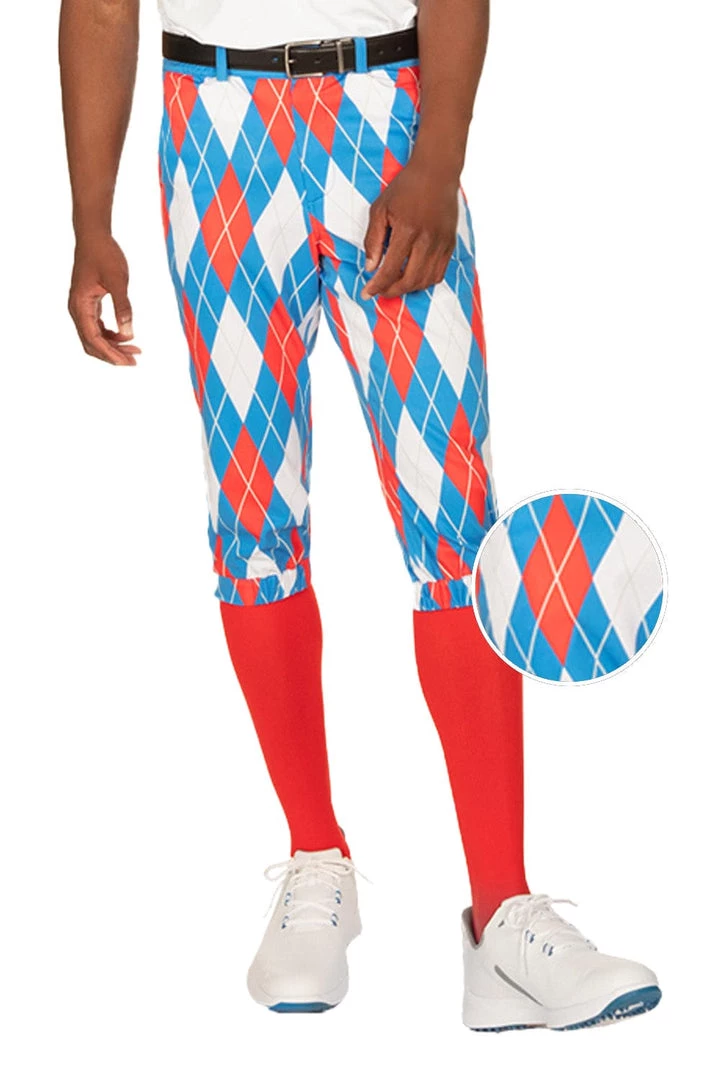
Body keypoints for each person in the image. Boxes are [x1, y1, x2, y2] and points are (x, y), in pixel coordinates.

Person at [59, 0, 661, 1030]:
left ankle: (503, 918)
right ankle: (314, 861)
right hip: (212, 126)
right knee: (250, 516)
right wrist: (89, 219)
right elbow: (103, 6)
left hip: (381, 121)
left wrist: (438, 158)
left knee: (456, 529)